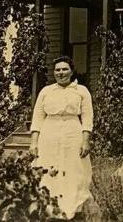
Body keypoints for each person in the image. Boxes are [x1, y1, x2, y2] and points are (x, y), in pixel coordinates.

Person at [30, 56, 94, 218]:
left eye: (65, 69)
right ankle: (50, 208)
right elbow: (37, 118)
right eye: (57, 70)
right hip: (49, 133)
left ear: (72, 71)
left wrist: (85, 140)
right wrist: (34, 142)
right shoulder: (46, 91)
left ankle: (72, 209)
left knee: (73, 169)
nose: (61, 73)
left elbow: (87, 118)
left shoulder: (81, 91)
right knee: (49, 168)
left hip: (73, 133)